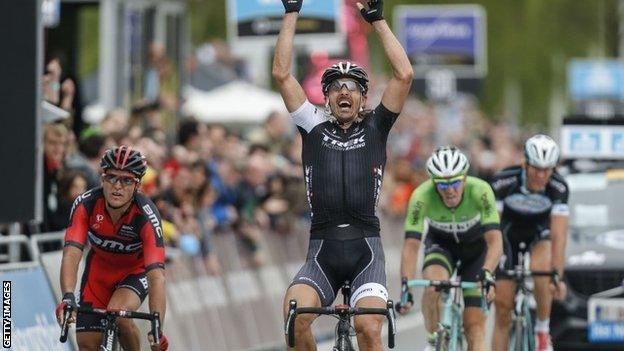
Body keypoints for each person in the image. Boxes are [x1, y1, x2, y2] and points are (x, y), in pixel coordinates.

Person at [272, 0, 413, 349]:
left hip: (366, 249)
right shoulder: (312, 125)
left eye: (352, 87)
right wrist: (291, 13)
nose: (344, 91)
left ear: (363, 98)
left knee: (368, 328)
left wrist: (377, 21)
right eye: (336, 87)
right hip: (322, 250)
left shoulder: (377, 125)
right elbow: (281, 74)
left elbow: (404, 75)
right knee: (295, 315)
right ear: (326, 98)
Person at [55, 146, 169, 351]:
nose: (117, 186)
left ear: (137, 185)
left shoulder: (146, 215)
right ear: (102, 179)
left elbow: (157, 276)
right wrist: (67, 296)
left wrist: (157, 324)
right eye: (111, 178)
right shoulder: (86, 204)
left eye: (127, 180)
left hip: (134, 271)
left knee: (119, 314)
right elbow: (71, 253)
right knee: (87, 345)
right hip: (99, 273)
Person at [399, 147, 502, 351]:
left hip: (476, 253)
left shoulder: (481, 190)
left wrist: (488, 272)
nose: (449, 189)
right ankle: (432, 340)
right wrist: (406, 287)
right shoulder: (421, 195)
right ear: (433, 183)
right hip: (441, 246)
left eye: (455, 182)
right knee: (432, 286)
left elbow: (495, 241)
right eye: (442, 184)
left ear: (464, 178)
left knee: (474, 329)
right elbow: (411, 246)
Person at [490, 134, 569, 351]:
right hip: (508, 237)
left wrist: (557, 276)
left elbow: (559, 236)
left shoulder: (559, 187)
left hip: (538, 235)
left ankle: (542, 330)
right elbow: (492, 229)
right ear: (525, 162)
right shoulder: (503, 181)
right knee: (503, 310)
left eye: (547, 169)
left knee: (542, 267)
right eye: (536, 168)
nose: (541, 175)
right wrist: (488, 270)